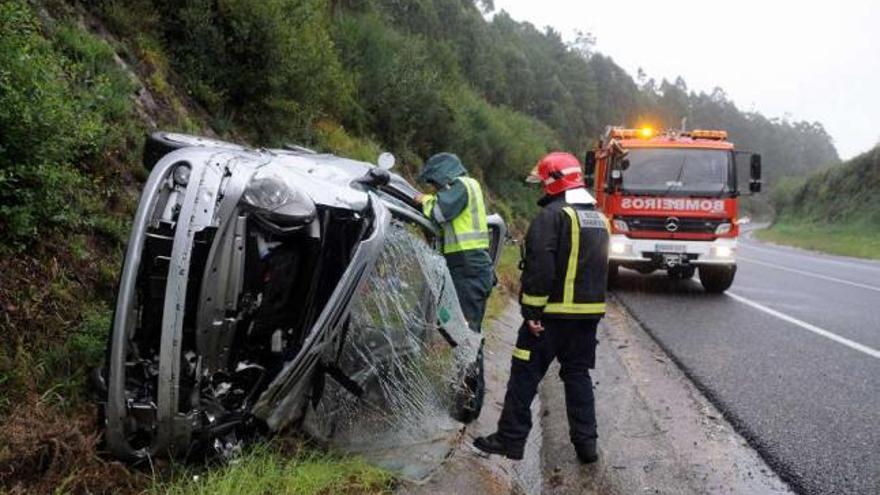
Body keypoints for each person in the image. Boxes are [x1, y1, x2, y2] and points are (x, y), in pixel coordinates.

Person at [474, 152, 610, 463]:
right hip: (586, 319)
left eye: (542, 183)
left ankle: (510, 440)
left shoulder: (551, 216)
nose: (540, 190)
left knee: (524, 375)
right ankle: (587, 447)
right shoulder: (598, 217)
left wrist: (532, 313)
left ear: (552, 182)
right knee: (578, 376)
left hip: (549, 318)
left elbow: (540, 268)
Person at [416, 152, 494, 332]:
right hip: (466, 268)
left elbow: (438, 213)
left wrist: (425, 200)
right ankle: (464, 359)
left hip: (468, 269)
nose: (434, 188)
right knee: (457, 329)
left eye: (434, 182)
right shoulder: (461, 190)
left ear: (443, 174)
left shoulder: (462, 185)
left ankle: (468, 361)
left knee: (465, 333)